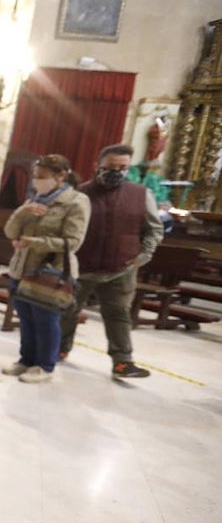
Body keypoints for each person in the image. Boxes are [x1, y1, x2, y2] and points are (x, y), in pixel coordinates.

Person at [59, 144, 164, 378]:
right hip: (82, 266)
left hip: (122, 267)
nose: (116, 171)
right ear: (98, 166)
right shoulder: (80, 193)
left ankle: (122, 362)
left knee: (118, 314)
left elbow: (153, 229)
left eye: (122, 168)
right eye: (110, 167)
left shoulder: (141, 194)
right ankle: (59, 349)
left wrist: (144, 255)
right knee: (68, 310)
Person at [2, 154, 91, 383]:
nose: (36, 180)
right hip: (22, 269)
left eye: (42, 176)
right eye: (35, 176)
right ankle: (26, 360)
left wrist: (36, 243)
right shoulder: (36, 198)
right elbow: (11, 232)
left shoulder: (76, 201)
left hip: (50, 272)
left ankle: (45, 365)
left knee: (45, 320)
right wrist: (24, 211)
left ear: (61, 175)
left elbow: (73, 241)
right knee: (26, 318)